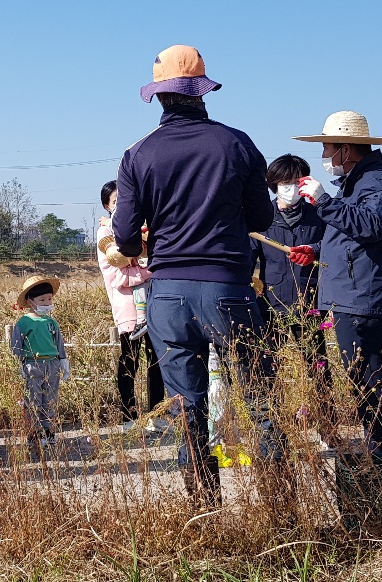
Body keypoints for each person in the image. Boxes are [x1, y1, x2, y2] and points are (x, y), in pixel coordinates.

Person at [113, 44, 272, 504]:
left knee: (187, 406)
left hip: (168, 295)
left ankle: (203, 507)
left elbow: (124, 240)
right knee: (259, 399)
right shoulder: (237, 143)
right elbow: (262, 219)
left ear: (160, 96)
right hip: (229, 287)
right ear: (202, 92)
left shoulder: (138, 154)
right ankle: (279, 507)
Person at [293, 111, 382, 454]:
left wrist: (323, 201)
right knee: (363, 384)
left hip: (364, 299)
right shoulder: (358, 183)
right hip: (352, 297)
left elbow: (371, 225)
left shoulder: (379, 183)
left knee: (371, 383)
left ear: (346, 148)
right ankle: (380, 457)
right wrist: (314, 250)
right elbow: (351, 237)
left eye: (328, 148)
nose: (325, 157)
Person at [254, 154, 338, 445]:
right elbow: (249, 256)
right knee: (269, 368)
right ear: (273, 185)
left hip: (308, 300)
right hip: (271, 303)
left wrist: (313, 249)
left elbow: (332, 246)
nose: (290, 188)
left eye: (295, 182)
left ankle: (328, 427)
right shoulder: (261, 216)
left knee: (317, 366)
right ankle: (274, 428)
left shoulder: (318, 214)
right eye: (283, 183)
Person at [95, 180, 163, 428]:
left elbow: (147, 262)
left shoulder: (143, 228)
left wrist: (142, 268)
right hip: (128, 310)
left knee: (156, 359)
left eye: (124, 200)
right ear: (106, 206)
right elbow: (116, 277)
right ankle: (128, 415)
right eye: (115, 202)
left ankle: (157, 414)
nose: (120, 205)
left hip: (153, 305)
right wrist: (147, 272)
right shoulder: (105, 235)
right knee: (129, 360)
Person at [11, 276, 70, 456]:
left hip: (52, 364)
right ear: (30, 302)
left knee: (50, 399)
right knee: (33, 400)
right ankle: (34, 432)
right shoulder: (23, 323)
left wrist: (63, 361)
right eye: (42, 300)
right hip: (31, 365)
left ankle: (48, 431)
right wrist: (18, 364)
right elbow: (15, 346)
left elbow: (59, 343)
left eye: (49, 299)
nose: (47, 302)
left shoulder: (52, 323)